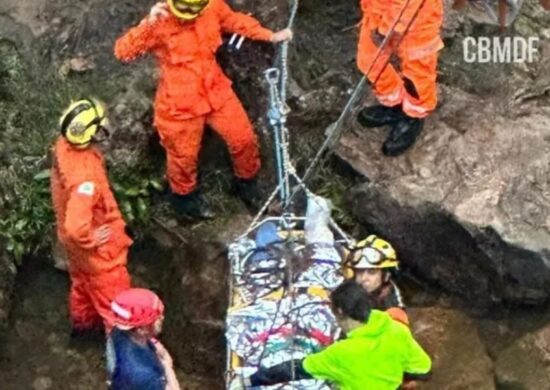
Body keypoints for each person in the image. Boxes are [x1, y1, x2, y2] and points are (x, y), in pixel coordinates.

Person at [114, 0, 293, 218]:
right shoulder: (159, 21)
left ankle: (247, 186)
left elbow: (234, 21)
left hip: (215, 90)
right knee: (183, 158)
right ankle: (185, 203)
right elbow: (123, 52)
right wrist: (147, 25)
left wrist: (269, 35)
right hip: (180, 104)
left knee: (243, 138)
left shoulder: (212, 7)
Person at [245, 280, 432, 389]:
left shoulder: (340, 354)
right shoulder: (396, 330)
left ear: (340, 311)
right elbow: (423, 369)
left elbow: (294, 369)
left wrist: (251, 380)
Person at [51, 99, 133, 334]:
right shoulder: (85, 178)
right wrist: (91, 238)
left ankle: (83, 326)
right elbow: (77, 227)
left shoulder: (63, 147)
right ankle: (122, 361)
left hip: (74, 248)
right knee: (118, 311)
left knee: (82, 283)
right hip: (99, 254)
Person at [356, 0, 443, 156]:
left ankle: (413, 116)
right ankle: (394, 103)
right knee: (369, 61)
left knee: (416, 79)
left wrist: (387, 29)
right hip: (378, 10)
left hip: (418, 19)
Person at [106, 288, 180, 390]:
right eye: (156, 318)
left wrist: (153, 342)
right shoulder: (144, 376)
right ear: (141, 329)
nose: (162, 318)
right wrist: (167, 365)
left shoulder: (117, 333)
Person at [345, 234, 405, 311]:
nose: (363, 278)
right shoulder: (344, 293)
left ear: (386, 275)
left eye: (371, 272)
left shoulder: (393, 306)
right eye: (359, 271)